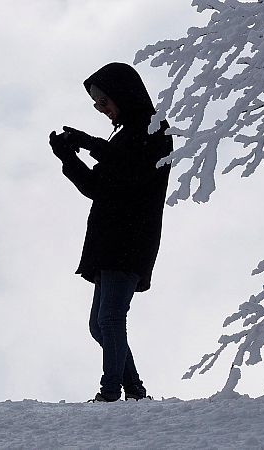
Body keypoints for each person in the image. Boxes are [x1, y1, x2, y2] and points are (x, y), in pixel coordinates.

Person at [49, 63, 173, 402]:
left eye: (104, 101)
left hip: (130, 240)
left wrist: (88, 143)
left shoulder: (153, 130)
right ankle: (133, 391)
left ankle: (111, 393)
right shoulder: (119, 136)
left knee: (110, 318)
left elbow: (132, 168)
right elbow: (97, 186)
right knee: (99, 324)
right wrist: (68, 158)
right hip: (109, 241)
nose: (101, 109)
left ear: (123, 95)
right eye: (97, 104)